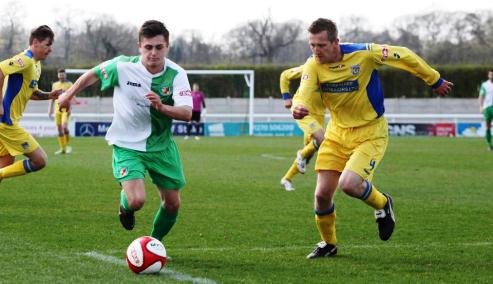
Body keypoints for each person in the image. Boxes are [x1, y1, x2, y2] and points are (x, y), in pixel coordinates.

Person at [293, 18, 453, 258]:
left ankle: (383, 204)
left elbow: (404, 55)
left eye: (321, 45)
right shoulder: (312, 66)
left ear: (336, 42)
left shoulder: (364, 54)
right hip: (336, 134)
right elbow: (301, 97)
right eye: (312, 45)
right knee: (321, 195)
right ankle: (329, 244)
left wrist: (434, 79)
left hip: (370, 132)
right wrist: (299, 109)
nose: (316, 51)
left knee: (349, 185)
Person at [58, 20, 193, 242]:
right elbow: (92, 74)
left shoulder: (177, 75)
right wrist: (68, 94)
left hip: (161, 145)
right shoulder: (122, 67)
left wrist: (161, 107)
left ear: (167, 46)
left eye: (159, 47)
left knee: (172, 203)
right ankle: (125, 206)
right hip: (127, 144)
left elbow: (187, 113)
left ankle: (153, 244)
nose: (153, 53)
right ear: (140, 46)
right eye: (148, 47)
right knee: (136, 200)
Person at [0, 25, 62, 183]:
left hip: (8, 123)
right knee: (40, 160)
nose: (50, 49)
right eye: (48, 44)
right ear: (35, 42)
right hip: (6, 123)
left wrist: (50, 95)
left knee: (5, 165)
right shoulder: (25, 59)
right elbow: (0, 69)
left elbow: (31, 92)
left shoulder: (36, 65)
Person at [279, 65, 326, 191]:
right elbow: (285, 75)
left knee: (309, 152)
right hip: (305, 113)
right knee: (321, 141)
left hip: (320, 114)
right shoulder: (309, 67)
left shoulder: (336, 71)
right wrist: (286, 97)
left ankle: (287, 178)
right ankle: (301, 155)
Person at [48, 68, 74, 154]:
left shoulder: (69, 84)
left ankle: (67, 145)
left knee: (64, 127)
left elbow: (71, 98)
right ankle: (63, 149)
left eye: (63, 74)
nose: (61, 76)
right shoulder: (55, 85)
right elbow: (51, 98)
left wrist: (70, 108)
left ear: (65, 75)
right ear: (58, 75)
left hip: (65, 110)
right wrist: (49, 110)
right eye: (60, 74)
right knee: (59, 129)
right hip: (57, 110)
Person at [479, 69, 493, 151]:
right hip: (487, 107)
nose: (491, 76)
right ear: (488, 75)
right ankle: (489, 145)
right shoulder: (484, 84)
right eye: (490, 74)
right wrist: (481, 106)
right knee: (487, 126)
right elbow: (481, 96)